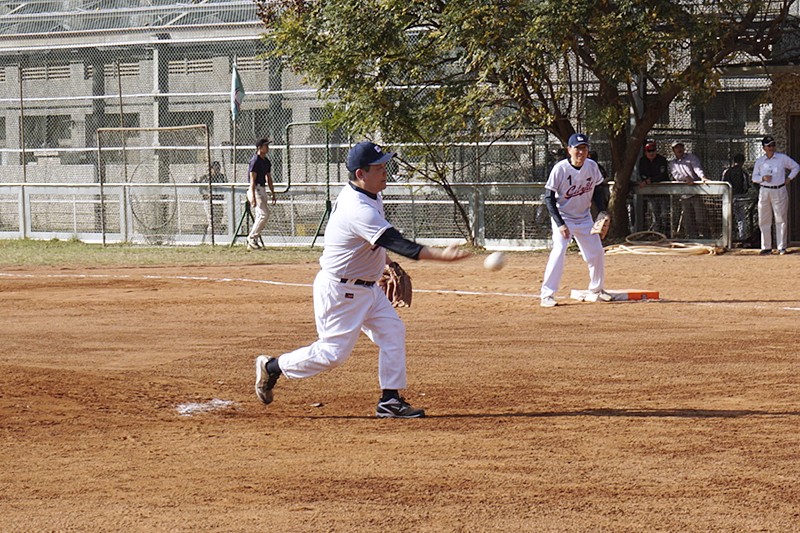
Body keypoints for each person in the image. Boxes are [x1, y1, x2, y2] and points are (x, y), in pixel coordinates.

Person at [254, 141, 471, 418]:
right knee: (333, 354)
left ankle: (390, 401)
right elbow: (397, 242)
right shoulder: (357, 207)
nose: (385, 173)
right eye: (379, 168)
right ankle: (272, 367)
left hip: (367, 288)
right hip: (341, 291)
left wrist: (386, 263)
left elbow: (371, 242)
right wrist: (442, 256)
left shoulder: (370, 195)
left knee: (392, 332)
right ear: (360, 173)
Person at [540, 133, 611, 308]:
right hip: (563, 216)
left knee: (596, 252)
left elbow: (597, 190)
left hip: (584, 217)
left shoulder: (592, 166)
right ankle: (547, 295)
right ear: (569, 150)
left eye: (584, 148)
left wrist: (602, 212)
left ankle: (597, 289)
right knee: (559, 250)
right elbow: (548, 198)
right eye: (577, 148)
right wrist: (560, 224)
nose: (581, 152)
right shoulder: (560, 169)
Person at [752, 135, 800, 255]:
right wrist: (763, 178)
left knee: (781, 218)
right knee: (764, 218)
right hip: (764, 190)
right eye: (769, 146)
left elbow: (796, 167)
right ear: (764, 148)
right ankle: (766, 246)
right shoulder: (760, 161)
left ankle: (781, 246)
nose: (771, 148)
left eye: (773, 145)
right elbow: (754, 178)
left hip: (779, 190)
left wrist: (789, 179)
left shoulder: (782, 158)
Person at [668, 141, 707, 238]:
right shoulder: (672, 163)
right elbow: (676, 175)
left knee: (700, 218)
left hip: (696, 192)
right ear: (673, 150)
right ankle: (692, 238)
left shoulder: (691, 157)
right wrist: (686, 178)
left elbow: (697, 168)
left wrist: (702, 177)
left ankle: (705, 237)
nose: (679, 149)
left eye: (681, 147)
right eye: (677, 148)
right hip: (684, 194)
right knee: (688, 220)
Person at [247, 138, 276, 250]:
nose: (267, 148)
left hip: (262, 189)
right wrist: (253, 196)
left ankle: (252, 242)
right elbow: (252, 180)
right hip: (255, 189)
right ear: (259, 147)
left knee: (261, 215)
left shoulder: (266, 161)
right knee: (264, 214)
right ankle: (251, 237)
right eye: (265, 146)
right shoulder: (255, 160)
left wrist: (273, 193)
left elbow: (268, 178)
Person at [637, 140, 670, 233]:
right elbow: (642, 174)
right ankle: (656, 233)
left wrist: (650, 180)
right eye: (649, 151)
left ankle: (666, 232)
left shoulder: (662, 160)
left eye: (653, 150)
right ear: (645, 152)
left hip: (662, 191)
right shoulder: (642, 161)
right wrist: (646, 180)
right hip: (651, 192)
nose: (651, 153)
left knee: (664, 213)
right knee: (655, 213)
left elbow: (662, 174)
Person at [721, 154, 751, 243]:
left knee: (728, 217)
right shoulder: (743, 172)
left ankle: (728, 236)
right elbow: (746, 186)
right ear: (743, 162)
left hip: (728, 197)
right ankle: (741, 237)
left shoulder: (727, 171)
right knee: (740, 218)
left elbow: (723, 183)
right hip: (739, 196)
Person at [192, 161, 227, 234]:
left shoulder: (221, 176)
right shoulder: (206, 177)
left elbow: (226, 185)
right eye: (215, 168)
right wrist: (194, 180)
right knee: (212, 220)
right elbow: (198, 184)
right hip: (209, 202)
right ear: (211, 169)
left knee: (219, 219)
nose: (217, 170)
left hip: (219, 201)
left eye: (218, 168)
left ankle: (218, 235)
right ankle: (211, 236)